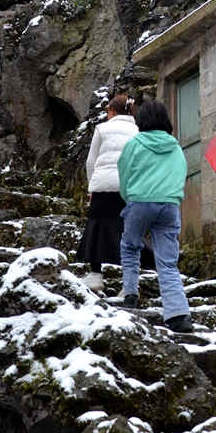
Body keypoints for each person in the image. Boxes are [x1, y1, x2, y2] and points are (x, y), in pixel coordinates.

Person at [117, 100, 193, 333]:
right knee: (168, 262)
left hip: (140, 201)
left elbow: (124, 173)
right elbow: (182, 174)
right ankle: (179, 315)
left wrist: (129, 197)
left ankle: (130, 294)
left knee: (130, 246)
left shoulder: (134, 145)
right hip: (169, 205)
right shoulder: (176, 147)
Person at [76, 93, 138, 291]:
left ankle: (96, 274)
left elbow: (91, 161)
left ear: (112, 111)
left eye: (108, 112)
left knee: (96, 226)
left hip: (103, 184)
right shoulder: (139, 130)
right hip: (129, 187)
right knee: (126, 230)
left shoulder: (103, 128)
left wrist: (91, 186)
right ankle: (127, 282)